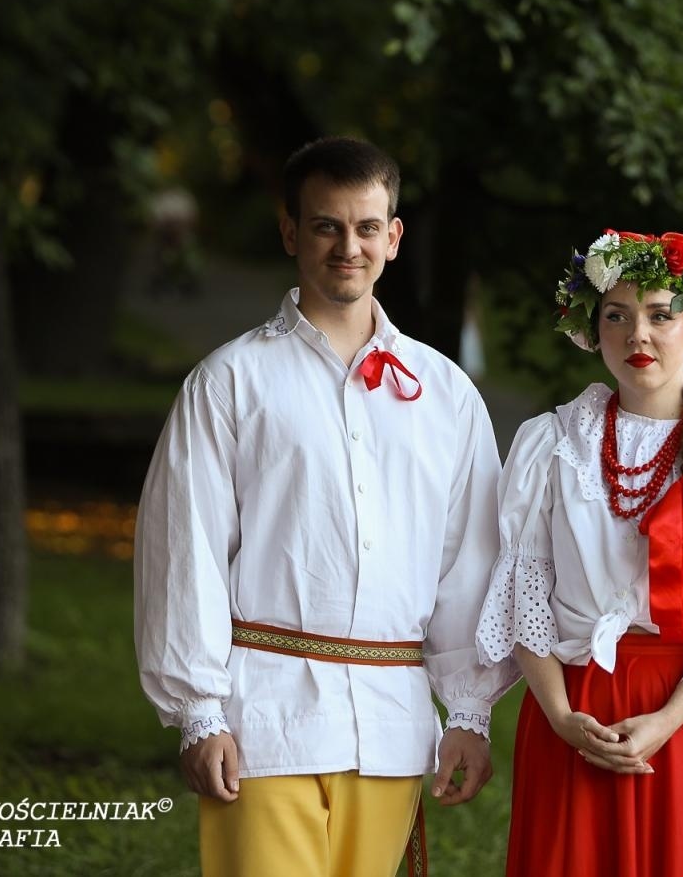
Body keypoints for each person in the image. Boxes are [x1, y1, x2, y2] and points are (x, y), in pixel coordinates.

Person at [134, 136, 515, 877]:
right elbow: (186, 550)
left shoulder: (444, 395)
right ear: (290, 232)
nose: (349, 246)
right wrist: (198, 713)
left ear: (394, 237)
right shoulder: (231, 382)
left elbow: (470, 559)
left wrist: (468, 711)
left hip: (392, 725)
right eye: (325, 226)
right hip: (262, 721)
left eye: (367, 227)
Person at [476, 229, 683, 875]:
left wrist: (664, 722)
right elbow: (526, 591)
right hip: (574, 717)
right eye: (617, 317)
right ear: (592, 330)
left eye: (660, 315)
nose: (637, 336)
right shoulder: (551, 443)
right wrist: (563, 715)